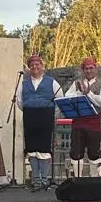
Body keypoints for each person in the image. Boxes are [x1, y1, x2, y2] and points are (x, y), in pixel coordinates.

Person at [58, 58, 101, 177]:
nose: (89, 71)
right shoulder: (76, 83)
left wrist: (88, 93)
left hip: (94, 124)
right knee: (76, 152)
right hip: (78, 123)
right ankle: (77, 179)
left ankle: (94, 179)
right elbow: (68, 97)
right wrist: (80, 93)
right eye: (86, 68)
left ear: (95, 69)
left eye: (91, 68)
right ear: (83, 70)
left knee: (94, 152)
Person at [19, 56, 59, 191]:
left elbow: (60, 97)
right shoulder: (23, 83)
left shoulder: (51, 82)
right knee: (32, 149)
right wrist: (30, 107)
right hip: (30, 116)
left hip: (46, 116)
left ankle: (45, 179)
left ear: (42, 66)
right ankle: (35, 179)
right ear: (29, 68)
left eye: (37, 65)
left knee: (44, 148)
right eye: (32, 65)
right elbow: (19, 101)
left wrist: (50, 110)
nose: (35, 67)